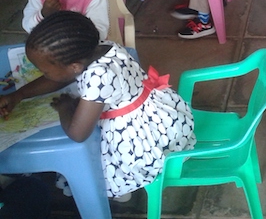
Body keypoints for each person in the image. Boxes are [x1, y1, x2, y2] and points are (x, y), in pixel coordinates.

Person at [0, 11, 196, 200]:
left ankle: (121, 190)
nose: (45, 74)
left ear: (75, 66)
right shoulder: (101, 48)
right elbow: (60, 76)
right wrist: (19, 95)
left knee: (91, 171)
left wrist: (65, 107)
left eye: (45, 71)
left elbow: (78, 133)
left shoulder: (98, 77)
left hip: (141, 138)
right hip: (158, 115)